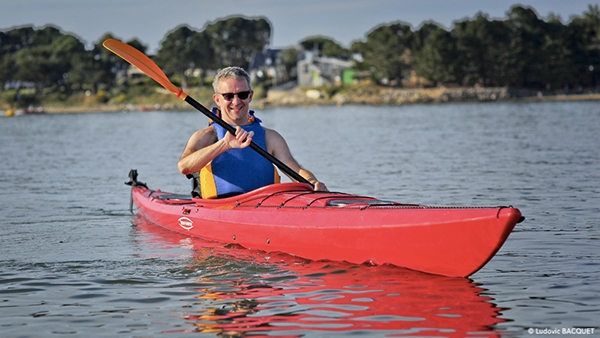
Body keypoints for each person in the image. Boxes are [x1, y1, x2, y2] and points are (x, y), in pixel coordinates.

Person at [178, 66, 328, 199]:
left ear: (250, 96)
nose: (236, 102)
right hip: (221, 207)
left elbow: (296, 171)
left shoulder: (270, 137)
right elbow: (184, 167)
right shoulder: (207, 137)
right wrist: (224, 144)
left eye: (242, 95)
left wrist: (312, 182)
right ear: (217, 99)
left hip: (265, 205)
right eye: (228, 96)